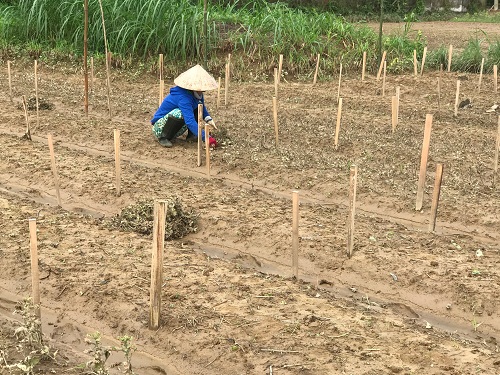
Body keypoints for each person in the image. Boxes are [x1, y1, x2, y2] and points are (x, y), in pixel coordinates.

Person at [151, 64, 218, 148]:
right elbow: (189, 121)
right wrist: (206, 137)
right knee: (180, 113)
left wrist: (209, 119)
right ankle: (164, 137)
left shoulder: (197, 93)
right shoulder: (183, 97)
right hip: (160, 126)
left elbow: (201, 107)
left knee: (197, 108)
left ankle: (192, 135)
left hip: (175, 124)